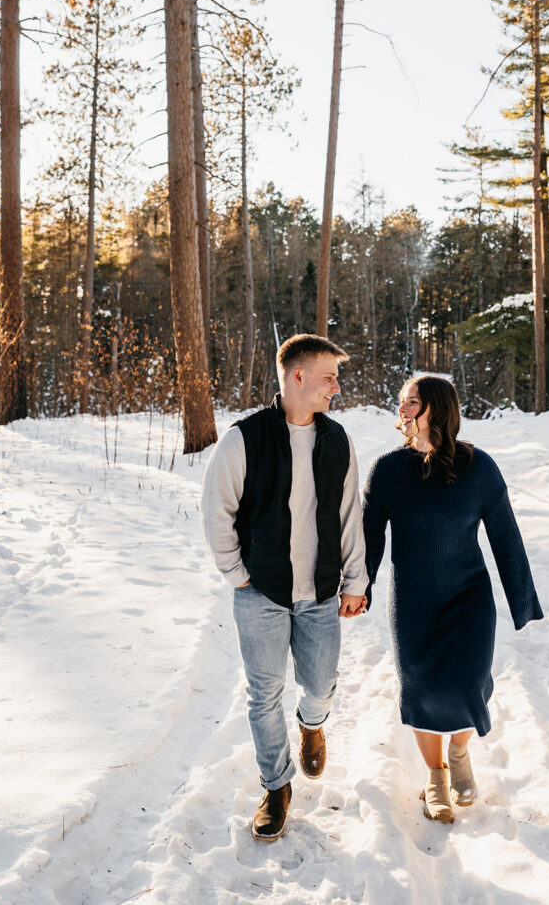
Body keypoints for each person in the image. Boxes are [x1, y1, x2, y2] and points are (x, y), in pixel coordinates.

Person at [201, 334, 368, 843]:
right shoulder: (243, 439)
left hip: (319, 592)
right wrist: (237, 575)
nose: (336, 387)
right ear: (297, 377)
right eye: (328, 377)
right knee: (263, 694)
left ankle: (312, 725)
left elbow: (348, 515)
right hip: (261, 593)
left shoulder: (337, 440)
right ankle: (276, 788)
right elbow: (217, 509)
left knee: (319, 686)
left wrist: (355, 580)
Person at [362, 375, 543, 824]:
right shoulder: (387, 470)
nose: (402, 410)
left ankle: (460, 751)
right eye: (401, 401)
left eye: (412, 402)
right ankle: (436, 777)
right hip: (413, 600)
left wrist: (521, 600)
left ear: (437, 409)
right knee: (423, 689)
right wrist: (357, 587)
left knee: (465, 685)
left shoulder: (478, 468)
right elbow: (367, 539)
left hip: (468, 597)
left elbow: (505, 535)